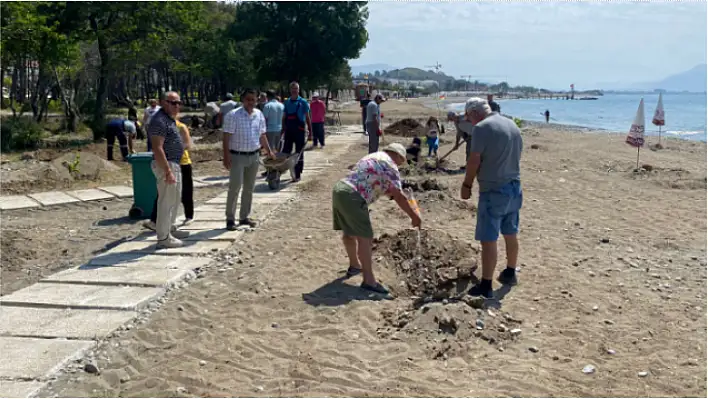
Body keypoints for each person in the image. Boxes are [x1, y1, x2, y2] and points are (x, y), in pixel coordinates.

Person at [332, 143, 422, 295]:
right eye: (402, 161)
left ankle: (355, 265)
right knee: (365, 238)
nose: (400, 165)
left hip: (340, 190)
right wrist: (414, 216)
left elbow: (380, 186)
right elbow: (398, 196)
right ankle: (369, 280)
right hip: (354, 196)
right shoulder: (390, 165)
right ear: (398, 156)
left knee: (349, 232)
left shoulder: (373, 157)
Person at [460, 97, 523, 298]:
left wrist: (467, 184)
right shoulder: (511, 124)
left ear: (474, 113)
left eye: (468, 118)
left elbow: (474, 159)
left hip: (493, 189)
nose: (468, 122)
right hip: (514, 186)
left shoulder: (481, 128)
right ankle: (510, 271)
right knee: (510, 233)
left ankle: (486, 285)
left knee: (489, 239)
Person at [222, 88, 277, 230]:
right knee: (235, 187)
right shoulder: (233, 115)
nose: (251, 102)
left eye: (254, 99)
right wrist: (226, 156)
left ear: (257, 100)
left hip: (254, 156)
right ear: (242, 100)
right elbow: (226, 137)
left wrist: (269, 151)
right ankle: (230, 219)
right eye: (248, 99)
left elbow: (262, 135)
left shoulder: (258, 114)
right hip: (237, 156)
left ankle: (244, 217)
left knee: (249, 188)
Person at [147, 91, 189, 248]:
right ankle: (163, 238)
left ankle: (169, 229)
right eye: (173, 102)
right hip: (167, 165)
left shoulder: (168, 119)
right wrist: (167, 171)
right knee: (166, 201)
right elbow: (157, 148)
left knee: (174, 199)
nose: (177, 106)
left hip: (174, 164)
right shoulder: (159, 121)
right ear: (163, 103)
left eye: (178, 102)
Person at [144, 116, 195, 231]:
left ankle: (189, 215)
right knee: (162, 193)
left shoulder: (181, 127)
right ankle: (154, 220)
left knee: (185, 191)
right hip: (166, 164)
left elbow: (187, 145)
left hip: (183, 163)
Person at [281, 81, 312, 183]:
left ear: (298, 90)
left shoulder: (303, 102)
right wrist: (283, 129)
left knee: (299, 153)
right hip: (289, 130)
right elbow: (284, 117)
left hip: (300, 131)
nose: (294, 90)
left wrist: (311, 132)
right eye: (293, 89)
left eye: (296, 89)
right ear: (290, 90)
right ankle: (282, 170)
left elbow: (307, 117)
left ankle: (298, 173)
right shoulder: (287, 102)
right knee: (286, 152)